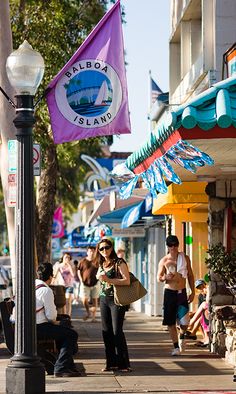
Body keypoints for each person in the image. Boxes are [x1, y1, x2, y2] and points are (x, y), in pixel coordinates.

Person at [36, 262, 80, 377]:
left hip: (25, 327)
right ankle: (61, 367)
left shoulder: (30, 286)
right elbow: (51, 317)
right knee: (71, 335)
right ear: (51, 277)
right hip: (38, 328)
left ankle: (68, 366)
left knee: (64, 330)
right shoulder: (46, 291)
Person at [95, 237, 131, 372]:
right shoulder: (101, 264)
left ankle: (123, 364)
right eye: (101, 248)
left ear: (111, 248)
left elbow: (126, 281)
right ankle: (111, 363)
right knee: (106, 332)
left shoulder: (119, 262)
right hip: (104, 299)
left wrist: (109, 280)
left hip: (116, 300)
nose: (104, 250)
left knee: (117, 331)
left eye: (107, 247)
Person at [157, 235, 195, 356]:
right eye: (170, 245)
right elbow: (159, 277)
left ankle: (182, 336)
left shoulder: (185, 258)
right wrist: (165, 277)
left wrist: (193, 291)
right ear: (167, 246)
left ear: (178, 245)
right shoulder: (164, 261)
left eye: (175, 245)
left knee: (185, 322)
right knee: (170, 322)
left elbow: (190, 275)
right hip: (169, 293)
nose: (173, 247)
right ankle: (175, 347)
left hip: (181, 293)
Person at [78, 246, 100, 322]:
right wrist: (81, 280)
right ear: (87, 252)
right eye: (90, 251)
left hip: (95, 283)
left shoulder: (97, 261)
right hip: (84, 283)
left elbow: (100, 270)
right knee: (84, 300)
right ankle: (88, 312)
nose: (91, 253)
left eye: (93, 251)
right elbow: (78, 271)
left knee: (95, 300)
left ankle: (93, 318)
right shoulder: (83, 261)